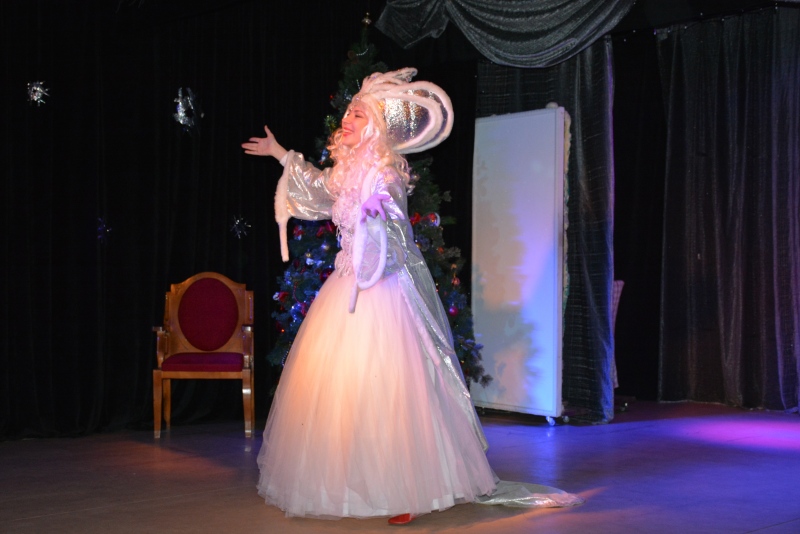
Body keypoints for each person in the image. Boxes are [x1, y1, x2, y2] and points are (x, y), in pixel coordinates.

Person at [242, 68, 582, 524]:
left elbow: (396, 236)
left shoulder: (385, 174)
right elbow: (317, 189)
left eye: (357, 114)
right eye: (347, 113)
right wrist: (280, 153)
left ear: (375, 126)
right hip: (345, 290)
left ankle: (407, 489)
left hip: (383, 293)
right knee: (343, 391)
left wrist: (377, 215)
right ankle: (347, 487)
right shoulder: (344, 172)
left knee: (392, 391)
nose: (346, 120)